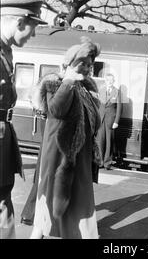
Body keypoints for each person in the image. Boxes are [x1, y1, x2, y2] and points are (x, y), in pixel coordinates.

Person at [30, 37, 102, 239]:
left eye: (90, 65)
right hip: (59, 156)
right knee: (50, 209)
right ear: (69, 63)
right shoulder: (56, 83)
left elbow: (94, 121)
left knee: (78, 207)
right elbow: (56, 110)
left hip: (79, 156)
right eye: (83, 63)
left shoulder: (86, 88)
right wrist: (69, 81)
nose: (87, 68)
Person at [0, 0, 47, 239]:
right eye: (33, 27)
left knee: (3, 196)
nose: (34, 35)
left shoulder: (5, 50)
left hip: (4, 133)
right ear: (20, 22)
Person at [97, 73, 122, 170]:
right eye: (108, 80)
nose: (110, 82)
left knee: (109, 142)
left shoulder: (117, 92)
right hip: (100, 119)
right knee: (100, 141)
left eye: (111, 80)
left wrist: (116, 121)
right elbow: (97, 105)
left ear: (114, 81)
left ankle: (107, 163)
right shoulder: (101, 90)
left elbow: (119, 108)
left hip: (111, 120)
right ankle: (99, 162)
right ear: (106, 81)